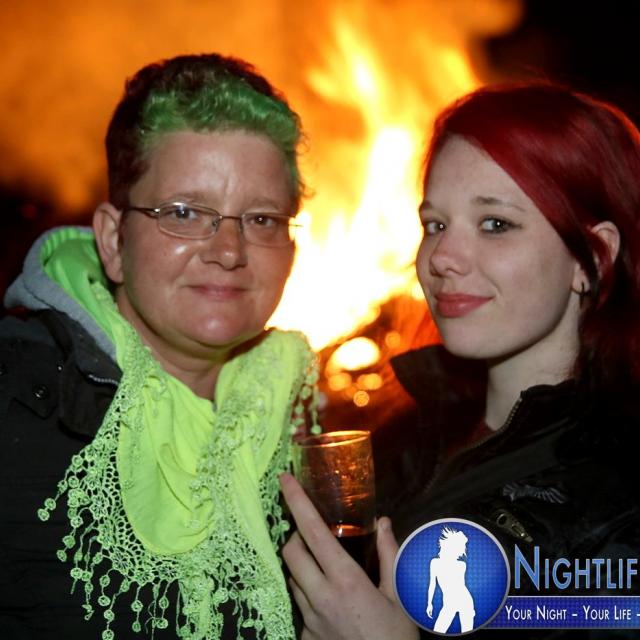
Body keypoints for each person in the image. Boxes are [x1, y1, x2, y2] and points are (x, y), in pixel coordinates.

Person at [280, 83, 640, 639]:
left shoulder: (617, 505)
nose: (442, 257)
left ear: (592, 258)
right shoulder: (401, 436)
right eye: (435, 224)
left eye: (495, 224)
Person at [0, 53, 319, 640]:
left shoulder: (308, 419)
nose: (229, 250)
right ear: (113, 241)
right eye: (184, 212)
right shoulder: (16, 400)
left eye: (262, 219)